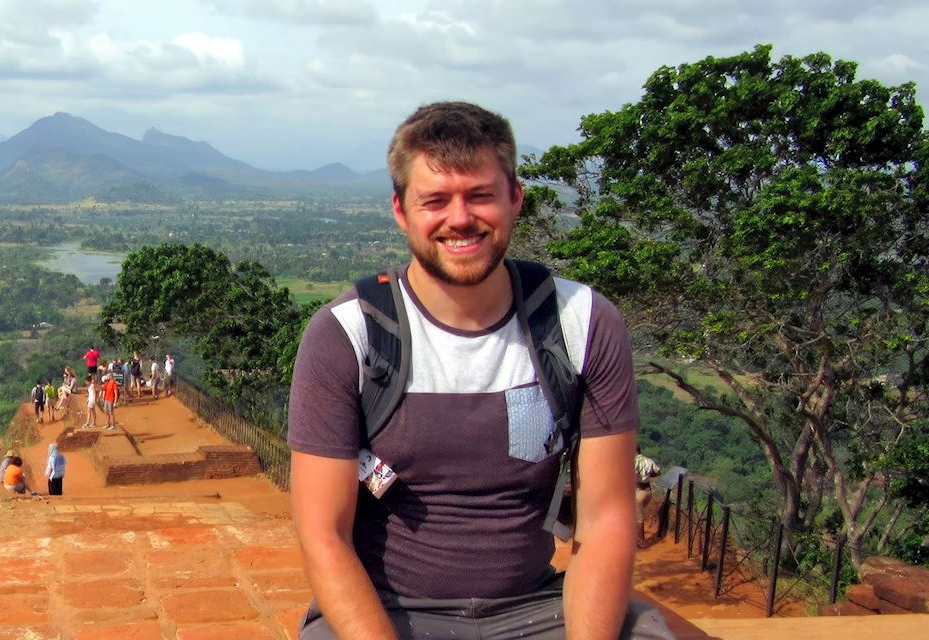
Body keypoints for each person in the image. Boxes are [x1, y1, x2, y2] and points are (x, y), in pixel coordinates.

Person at [287, 102, 673, 639]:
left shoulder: (579, 323)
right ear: (401, 210)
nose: (460, 218)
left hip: (537, 606)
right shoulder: (347, 335)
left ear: (515, 199)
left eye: (480, 195)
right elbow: (323, 533)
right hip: (386, 608)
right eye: (435, 201)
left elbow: (606, 520)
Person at [635, 452, 662, 539]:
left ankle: (641, 540)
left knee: (639, 517)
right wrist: (648, 474)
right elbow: (658, 472)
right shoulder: (649, 461)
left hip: (638, 491)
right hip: (647, 491)